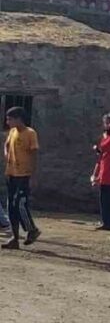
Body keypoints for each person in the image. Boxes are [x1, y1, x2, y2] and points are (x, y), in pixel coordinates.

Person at [2, 107, 40, 250]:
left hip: (24, 174)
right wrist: (7, 154)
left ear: (18, 118)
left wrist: (33, 175)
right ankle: (15, 238)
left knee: (19, 204)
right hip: (11, 173)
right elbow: (6, 145)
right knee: (10, 206)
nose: (7, 122)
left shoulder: (30, 133)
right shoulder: (12, 132)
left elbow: (34, 154)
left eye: (10, 119)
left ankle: (32, 229)